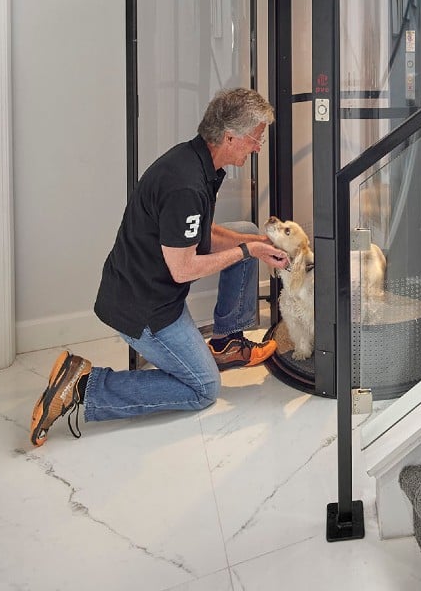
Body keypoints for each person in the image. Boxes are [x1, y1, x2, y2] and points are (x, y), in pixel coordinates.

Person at [30, 87, 291, 446]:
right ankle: (84, 386)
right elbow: (183, 269)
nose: (258, 147)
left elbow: (198, 233)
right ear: (229, 136)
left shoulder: (199, 162)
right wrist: (248, 252)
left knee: (246, 234)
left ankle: (225, 342)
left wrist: (254, 245)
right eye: (255, 139)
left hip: (146, 289)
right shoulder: (185, 184)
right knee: (204, 388)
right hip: (146, 311)